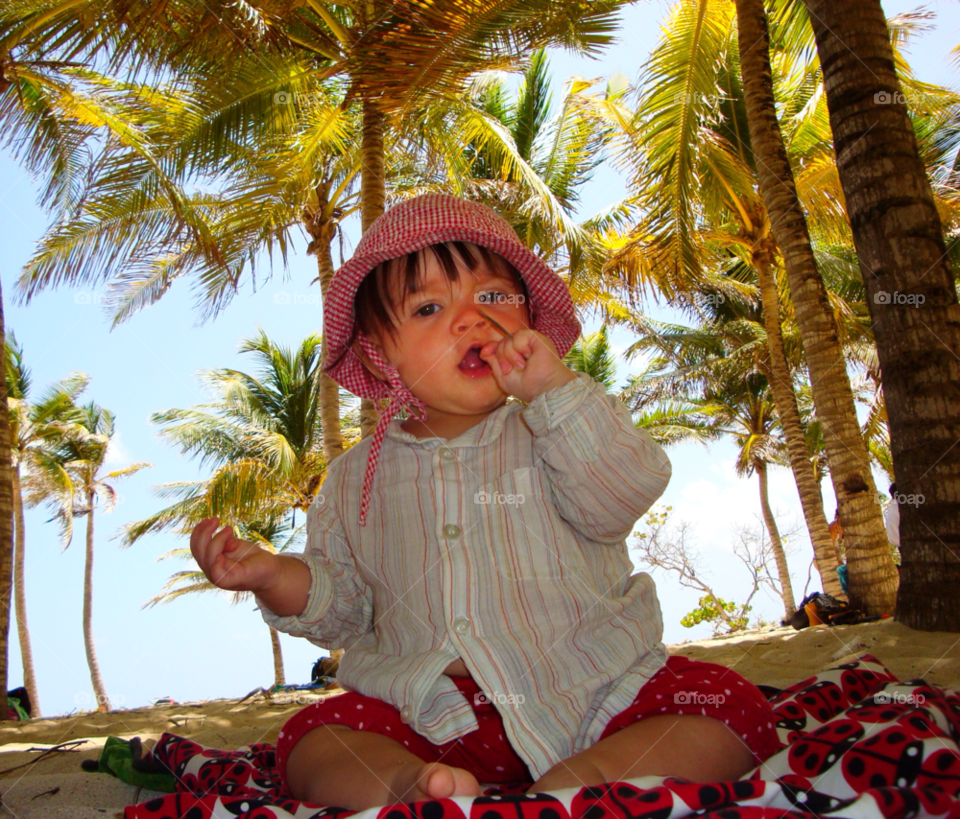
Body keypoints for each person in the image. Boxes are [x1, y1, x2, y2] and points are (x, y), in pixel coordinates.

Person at [190, 194, 781, 812]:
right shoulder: (350, 480)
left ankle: (590, 780)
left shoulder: (553, 423)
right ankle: (413, 791)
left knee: (728, 704)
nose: (470, 319)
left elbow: (621, 493)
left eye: (494, 297)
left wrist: (554, 392)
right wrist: (273, 576)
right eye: (427, 307)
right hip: (435, 719)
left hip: (601, 689)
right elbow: (344, 610)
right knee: (312, 742)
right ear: (377, 353)